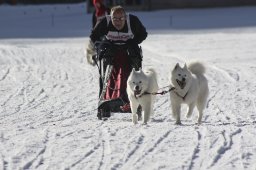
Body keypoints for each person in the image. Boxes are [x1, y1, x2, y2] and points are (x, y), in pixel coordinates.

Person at [89, 5, 147, 119]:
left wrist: (132, 42)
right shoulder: (105, 22)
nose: (118, 21)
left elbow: (143, 34)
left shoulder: (133, 21)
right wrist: (100, 47)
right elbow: (94, 36)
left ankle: (132, 102)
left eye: (121, 18)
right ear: (111, 17)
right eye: (115, 18)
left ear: (125, 17)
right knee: (106, 75)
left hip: (128, 53)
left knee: (130, 75)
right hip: (111, 52)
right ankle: (105, 104)